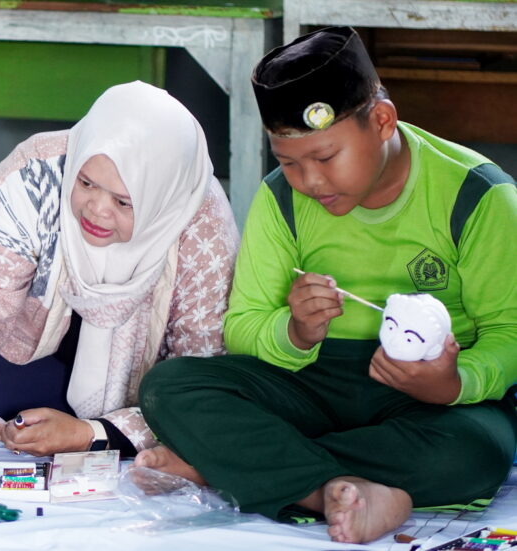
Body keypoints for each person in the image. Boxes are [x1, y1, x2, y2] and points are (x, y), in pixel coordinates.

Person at [137, 26, 517, 544]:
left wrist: (454, 383)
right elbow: (244, 324)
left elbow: (508, 332)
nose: (309, 182)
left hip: (425, 392)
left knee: (475, 453)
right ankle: (331, 489)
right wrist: (295, 333)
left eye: (325, 157)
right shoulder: (281, 198)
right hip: (313, 382)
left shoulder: (477, 195)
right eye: (289, 162)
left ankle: (236, 466)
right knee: (169, 387)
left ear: (382, 122)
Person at [0, 81, 240, 457]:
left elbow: (200, 381)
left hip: (112, 363)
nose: (96, 210)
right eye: (86, 183)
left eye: (123, 202)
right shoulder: (39, 167)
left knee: (28, 417)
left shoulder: (202, 225)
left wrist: (90, 434)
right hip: (18, 301)